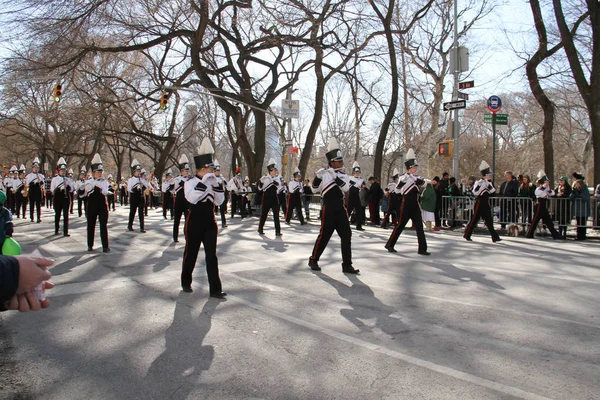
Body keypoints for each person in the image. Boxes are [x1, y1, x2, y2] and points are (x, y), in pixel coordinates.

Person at [180, 138, 226, 298]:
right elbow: (191, 199)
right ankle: (186, 281)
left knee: (211, 255)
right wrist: (203, 184)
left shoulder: (214, 181)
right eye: (210, 168)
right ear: (202, 168)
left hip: (210, 222)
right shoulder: (190, 182)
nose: (213, 171)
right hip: (194, 222)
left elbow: (220, 201)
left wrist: (216, 186)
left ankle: (215, 289)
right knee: (191, 253)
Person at [308, 137, 359, 274]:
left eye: (341, 161)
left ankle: (347, 265)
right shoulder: (324, 175)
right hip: (328, 209)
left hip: (340, 209)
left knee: (347, 235)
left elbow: (346, 188)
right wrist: (318, 177)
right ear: (332, 162)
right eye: (338, 161)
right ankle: (313, 260)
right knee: (324, 236)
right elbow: (313, 189)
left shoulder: (343, 175)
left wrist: (335, 177)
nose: (341, 163)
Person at [384, 149, 429, 255]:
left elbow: (424, 184)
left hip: (415, 203)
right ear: (410, 168)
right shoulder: (402, 177)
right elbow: (397, 191)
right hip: (406, 203)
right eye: (414, 167)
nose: (416, 168)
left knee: (419, 226)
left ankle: (422, 249)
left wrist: (415, 179)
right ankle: (390, 244)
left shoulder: (417, 177)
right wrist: (401, 183)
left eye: (416, 167)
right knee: (400, 225)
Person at [463, 161, 501, 242]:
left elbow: (492, 191)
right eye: (489, 174)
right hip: (479, 203)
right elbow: (475, 192)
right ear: (485, 175)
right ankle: (467, 234)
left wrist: (487, 184)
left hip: (485, 203)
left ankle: (495, 237)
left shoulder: (489, 183)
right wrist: (481, 184)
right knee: (474, 220)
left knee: (489, 221)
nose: (490, 176)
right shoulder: (478, 182)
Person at [85, 154, 110, 252]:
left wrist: (100, 185)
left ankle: (105, 246)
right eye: (97, 172)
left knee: (103, 224)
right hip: (92, 204)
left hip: (102, 204)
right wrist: (93, 185)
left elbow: (105, 191)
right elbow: (86, 191)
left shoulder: (104, 181)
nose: (100, 174)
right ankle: (90, 245)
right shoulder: (89, 181)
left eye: (101, 172)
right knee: (91, 224)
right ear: (93, 172)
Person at [526, 173, 561, 240]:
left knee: (548, 221)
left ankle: (555, 235)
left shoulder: (546, 189)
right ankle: (529, 234)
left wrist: (548, 189)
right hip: (539, 204)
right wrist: (544, 187)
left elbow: (552, 193)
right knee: (535, 220)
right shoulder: (539, 188)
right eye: (546, 182)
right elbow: (537, 193)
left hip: (544, 205)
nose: (547, 183)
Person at [257, 158, 282, 236]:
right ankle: (260, 228)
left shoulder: (277, 177)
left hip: (274, 198)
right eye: (273, 170)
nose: (275, 171)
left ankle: (277, 231)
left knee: (276, 215)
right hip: (266, 198)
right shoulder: (265, 178)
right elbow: (260, 188)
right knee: (264, 214)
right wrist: (261, 182)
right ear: (270, 171)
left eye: (275, 170)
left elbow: (279, 186)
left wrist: (273, 181)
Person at [50, 158, 74, 237]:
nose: (63, 172)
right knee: (58, 214)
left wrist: (68, 187)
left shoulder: (68, 179)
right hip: (58, 198)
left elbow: (72, 189)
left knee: (66, 215)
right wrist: (59, 189)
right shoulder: (55, 179)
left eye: (64, 170)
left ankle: (65, 231)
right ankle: (56, 229)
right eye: (61, 170)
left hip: (66, 198)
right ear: (58, 170)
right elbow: (52, 189)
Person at [172, 155, 190, 242]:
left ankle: (187, 236)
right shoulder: (176, 179)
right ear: (181, 171)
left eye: (187, 170)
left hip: (187, 202)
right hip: (179, 201)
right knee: (177, 220)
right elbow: (174, 189)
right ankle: (175, 236)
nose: (186, 172)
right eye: (185, 170)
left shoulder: (190, 180)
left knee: (187, 221)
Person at [127, 159, 148, 233]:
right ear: (134, 172)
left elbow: (146, 188)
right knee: (132, 212)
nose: (138, 173)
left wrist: (142, 186)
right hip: (134, 197)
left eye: (139, 171)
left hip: (141, 197)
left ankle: (142, 227)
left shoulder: (142, 179)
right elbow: (129, 189)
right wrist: (135, 187)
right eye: (137, 171)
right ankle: (130, 225)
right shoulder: (131, 180)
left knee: (141, 213)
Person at [569, 172, 590, 241]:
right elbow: (570, 198)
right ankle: (578, 235)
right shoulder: (575, 189)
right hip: (577, 209)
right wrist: (573, 193)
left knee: (583, 222)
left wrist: (581, 194)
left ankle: (582, 236)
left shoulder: (584, 189)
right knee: (578, 222)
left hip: (584, 208)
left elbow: (586, 198)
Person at [26, 157, 44, 223]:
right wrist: (32, 183)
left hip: (38, 191)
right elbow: (27, 184)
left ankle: (38, 217)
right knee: (32, 205)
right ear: (32, 168)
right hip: (32, 191)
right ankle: (31, 217)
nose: (36, 169)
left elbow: (43, 183)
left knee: (38, 205)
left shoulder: (40, 175)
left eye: (37, 168)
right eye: (34, 168)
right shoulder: (29, 176)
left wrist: (40, 182)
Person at [213, 160, 228, 228]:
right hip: (214, 195)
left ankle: (223, 222)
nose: (218, 172)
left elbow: (226, 184)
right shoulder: (212, 178)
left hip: (221, 195)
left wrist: (224, 181)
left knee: (222, 210)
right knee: (211, 210)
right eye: (217, 171)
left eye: (219, 171)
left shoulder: (221, 177)